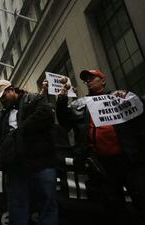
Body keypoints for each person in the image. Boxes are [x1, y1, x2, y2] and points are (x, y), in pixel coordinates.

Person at [56, 69, 145, 225]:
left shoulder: (119, 97)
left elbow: (139, 113)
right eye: (86, 80)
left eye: (92, 78)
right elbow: (64, 121)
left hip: (128, 160)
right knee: (114, 206)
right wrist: (62, 98)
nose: (88, 81)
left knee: (140, 198)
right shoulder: (81, 104)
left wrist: (128, 96)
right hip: (101, 164)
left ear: (103, 81)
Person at [0, 80, 58, 225]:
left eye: (3, 97)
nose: (2, 101)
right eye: (0, 99)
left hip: (41, 162)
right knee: (17, 208)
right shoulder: (2, 115)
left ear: (11, 90)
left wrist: (20, 130)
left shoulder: (33, 99)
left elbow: (46, 114)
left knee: (47, 203)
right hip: (16, 168)